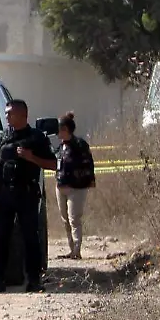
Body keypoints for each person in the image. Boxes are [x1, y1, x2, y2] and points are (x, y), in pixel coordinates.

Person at [0, 98, 56, 292]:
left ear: (22, 115)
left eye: (10, 113)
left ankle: (34, 280)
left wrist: (30, 157)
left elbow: (53, 164)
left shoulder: (36, 138)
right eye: (6, 113)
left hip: (26, 194)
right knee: (1, 238)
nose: (6, 116)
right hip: (4, 195)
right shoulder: (2, 138)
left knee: (30, 238)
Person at [53, 111, 96, 260]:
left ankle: (77, 249)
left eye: (58, 128)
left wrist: (89, 179)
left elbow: (89, 163)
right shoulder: (60, 147)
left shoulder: (79, 145)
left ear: (65, 129)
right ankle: (71, 249)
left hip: (76, 188)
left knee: (74, 219)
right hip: (61, 186)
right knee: (65, 219)